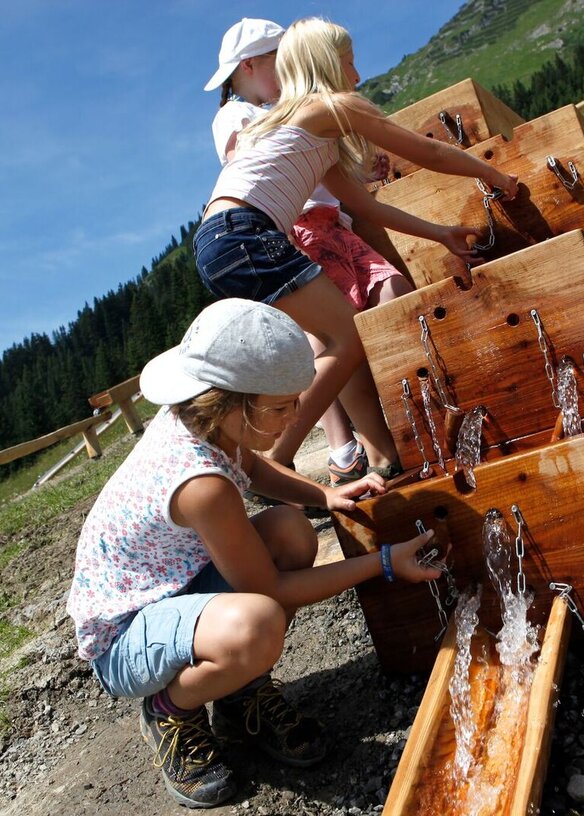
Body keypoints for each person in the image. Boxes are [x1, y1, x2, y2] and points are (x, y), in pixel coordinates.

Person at [66, 298, 442, 809]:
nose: (295, 419)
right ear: (232, 401)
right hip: (124, 633)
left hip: (176, 585)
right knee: (257, 624)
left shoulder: (209, 420)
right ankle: (169, 709)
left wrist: (323, 494)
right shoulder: (200, 483)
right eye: (282, 407)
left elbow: (257, 467)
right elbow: (270, 590)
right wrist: (383, 563)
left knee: (292, 530)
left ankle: (239, 693)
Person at [193, 17, 519, 494]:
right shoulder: (331, 106)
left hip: (218, 239)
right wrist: (496, 177)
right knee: (345, 336)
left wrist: (439, 233)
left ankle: (279, 458)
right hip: (246, 232)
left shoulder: (305, 133)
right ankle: (270, 460)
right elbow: (429, 153)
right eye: (349, 63)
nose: (358, 76)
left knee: (337, 338)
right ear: (327, 65)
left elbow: (365, 205)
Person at [205, 18, 415, 486]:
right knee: (339, 338)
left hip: (324, 224)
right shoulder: (237, 116)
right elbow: (270, 165)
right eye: (283, 61)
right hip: (295, 230)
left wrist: (358, 170)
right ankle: (337, 451)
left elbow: (319, 171)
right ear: (251, 65)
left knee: (356, 324)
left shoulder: (284, 110)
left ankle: (381, 445)